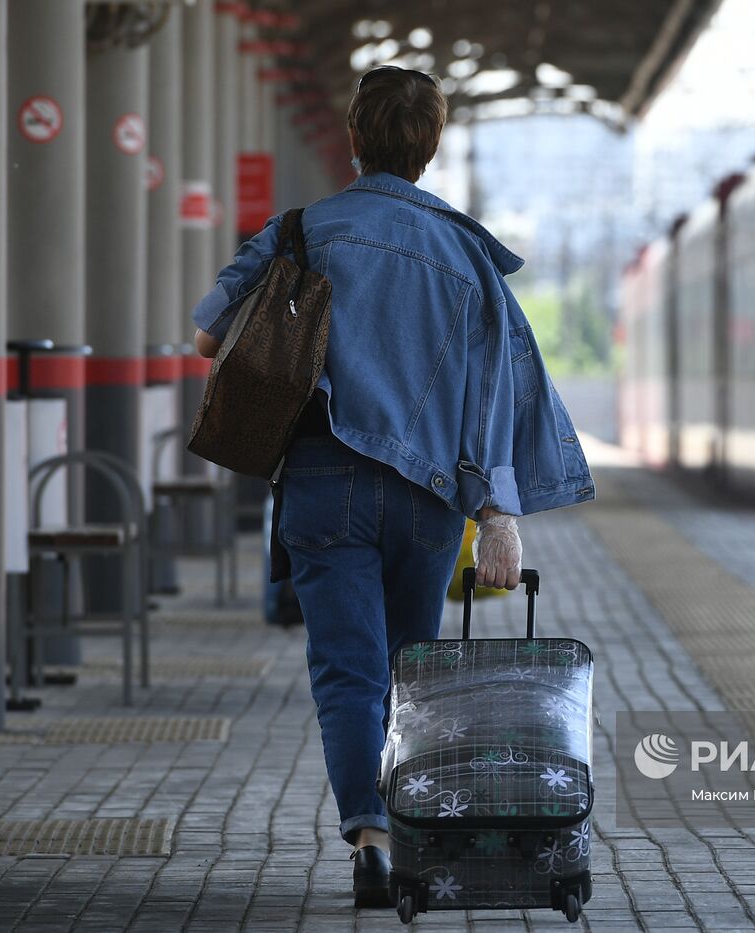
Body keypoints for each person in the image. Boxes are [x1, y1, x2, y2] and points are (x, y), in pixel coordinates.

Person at [190, 66, 595, 908]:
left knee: (347, 671)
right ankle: (413, 835)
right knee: (410, 675)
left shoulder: (301, 230)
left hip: (320, 482)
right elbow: (493, 397)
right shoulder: (466, 254)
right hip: (428, 499)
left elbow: (207, 334)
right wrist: (498, 518)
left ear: (352, 138)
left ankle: (371, 839)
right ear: (432, 145)